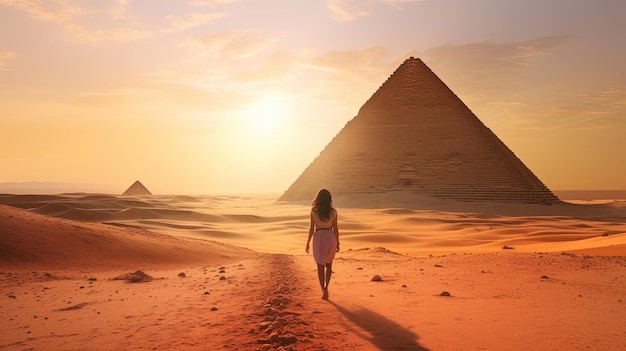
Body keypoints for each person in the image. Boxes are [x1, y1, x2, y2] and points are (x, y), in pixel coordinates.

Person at [305, 189, 340, 300]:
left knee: (320, 265)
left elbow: (311, 229)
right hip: (330, 237)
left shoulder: (314, 211)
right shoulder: (333, 212)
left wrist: (307, 243)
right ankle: (326, 286)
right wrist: (337, 242)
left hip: (319, 237)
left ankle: (323, 290)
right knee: (329, 265)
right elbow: (336, 229)